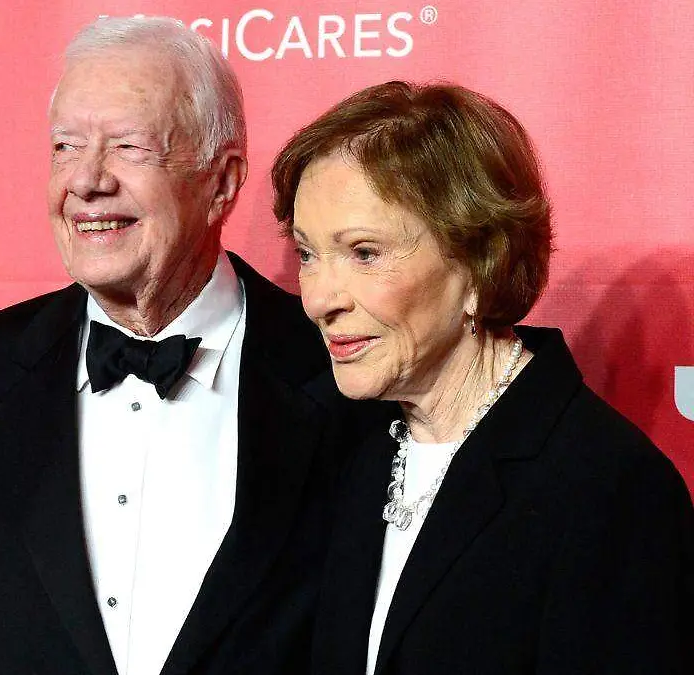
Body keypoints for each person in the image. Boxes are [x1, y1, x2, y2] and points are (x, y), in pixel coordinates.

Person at [0, 16, 338, 675]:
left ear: (221, 183)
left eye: (128, 147)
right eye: (66, 147)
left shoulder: (342, 373)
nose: (85, 181)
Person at [271, 80, 694, 675]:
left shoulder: (609, 489)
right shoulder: (347, 450)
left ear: (479, 262)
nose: (318, 300)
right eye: (308, 254)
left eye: (364, 253)